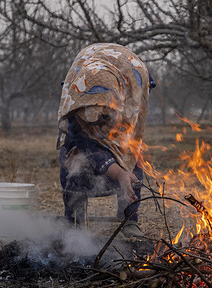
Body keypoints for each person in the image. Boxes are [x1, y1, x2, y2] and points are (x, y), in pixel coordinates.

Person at [57, 43, 156, 238]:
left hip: (124, 92)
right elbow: (83, 140)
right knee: (73, 155)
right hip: (86, 93)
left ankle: (129, 219)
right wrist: (83, 145)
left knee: (131, 154)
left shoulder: (134, 82)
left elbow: (130, 136)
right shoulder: (75, 91)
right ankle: (73, 222)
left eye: (101, 116)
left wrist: (121, 170)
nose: (96, 123)